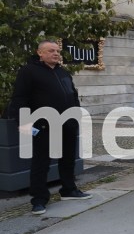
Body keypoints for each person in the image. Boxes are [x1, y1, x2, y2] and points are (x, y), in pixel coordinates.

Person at [8, 40, 92, 215]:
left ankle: (69, 190)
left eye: (57, 51)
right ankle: (39, 199)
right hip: (44, 125)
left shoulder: (63, 72)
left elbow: (73, 94)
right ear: (40, 53)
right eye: (51, 50)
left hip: (67, 123)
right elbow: (19, 98)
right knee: (41, 163)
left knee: (68, 159)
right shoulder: (28, 71)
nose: (56, 53)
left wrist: (76, 115)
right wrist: (23, 123)